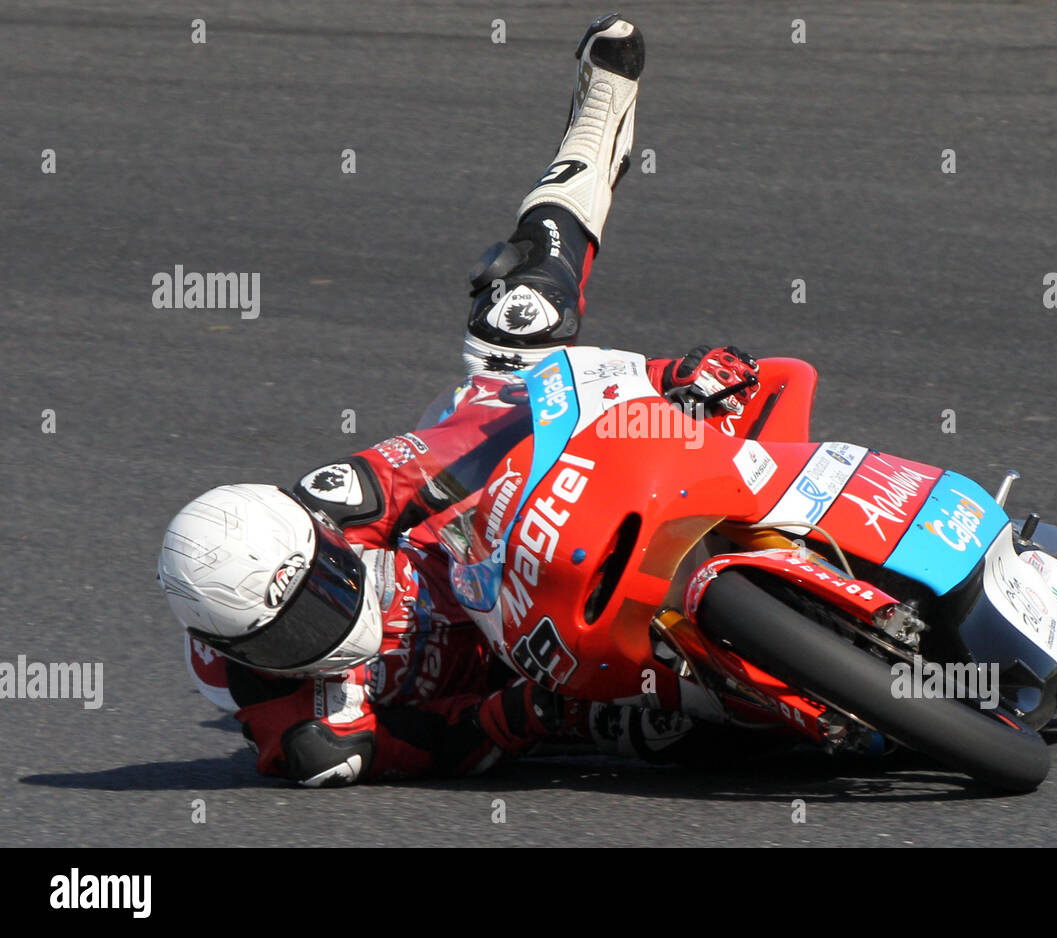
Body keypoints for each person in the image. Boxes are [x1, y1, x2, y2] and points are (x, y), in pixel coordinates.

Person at [158, 15, 773, 787]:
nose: (331, 607)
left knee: (522, 312)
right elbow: (426, 746)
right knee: (680, 734)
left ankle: (600, 109)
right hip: (527, 681)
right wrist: (524, 715)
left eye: (325, 578)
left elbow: (470, 440)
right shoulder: (300, 728)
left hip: (498, 542)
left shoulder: (338, 502)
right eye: (300, 621)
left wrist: (656, 385)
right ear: (245, 650)